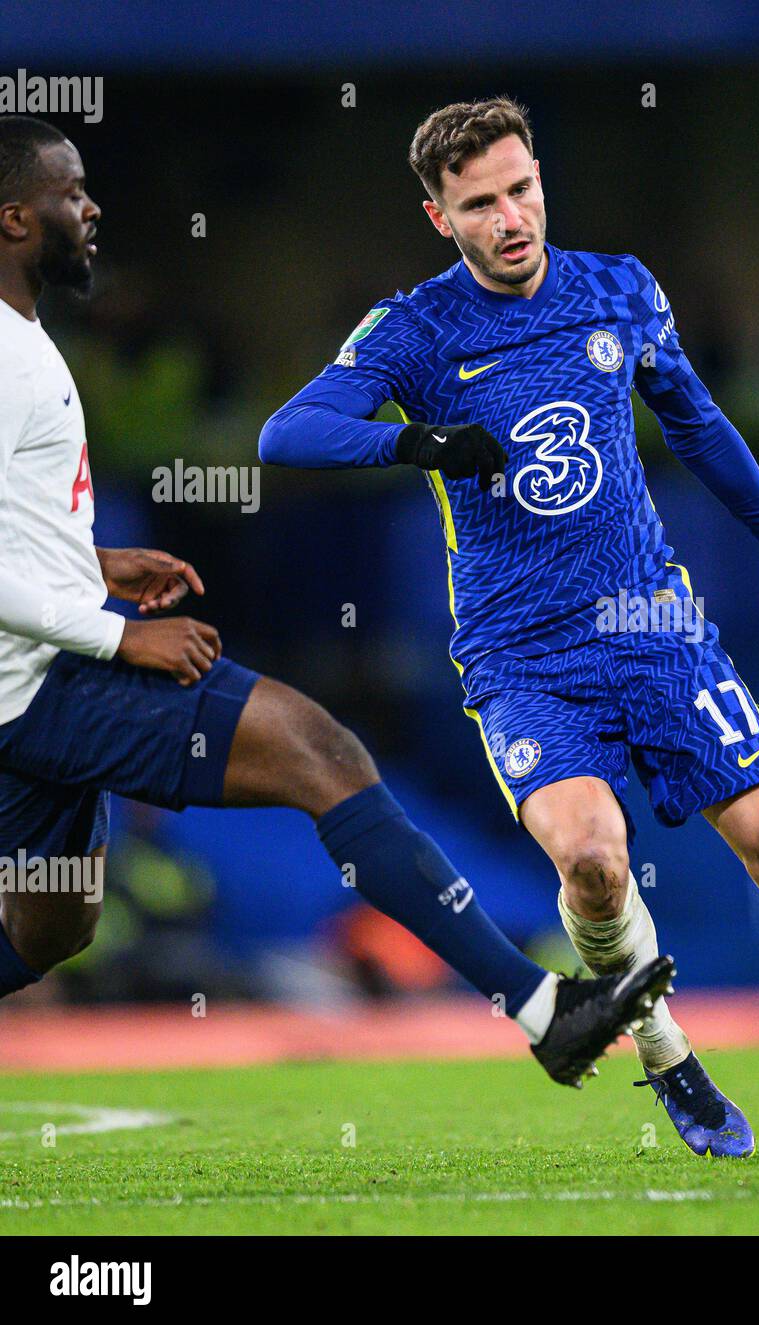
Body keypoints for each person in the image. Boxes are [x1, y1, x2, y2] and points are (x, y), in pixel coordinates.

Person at [261, 96, 759, 1156]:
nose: (511, 217)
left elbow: (696, 423)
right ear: (439, 219)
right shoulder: (413, 329)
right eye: (479, 204)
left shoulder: (619, 288)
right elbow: (292, 431)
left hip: (654, 626)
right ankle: (667, 1058)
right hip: (521, 658)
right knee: (593, 862)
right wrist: (414, 445)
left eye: (522, 188)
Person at [0, 114, 673, 1088]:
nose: (92, 209)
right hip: (48, 680)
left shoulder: (24, 338)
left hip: (30, 676)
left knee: (52, 926)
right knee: (318, 748)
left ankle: (542, 1008)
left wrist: (90, 563)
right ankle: (543, 1007)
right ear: (15, 218)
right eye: (70, 194)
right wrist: (115, 634)